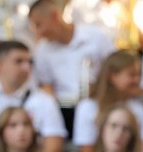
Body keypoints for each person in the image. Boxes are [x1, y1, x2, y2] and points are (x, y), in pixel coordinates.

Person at [29, 0, 115, 135]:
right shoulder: (42, 50)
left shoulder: (96, 36)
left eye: (39, 25)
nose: (39, 32)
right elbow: (46, 87)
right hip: (63, 112)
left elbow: (115, 70)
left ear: (55, 16)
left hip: (100, 105)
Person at [73, 50, 143, 152]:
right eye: (132, 75)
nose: (137, 80)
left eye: (139, 75)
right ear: (112, 76)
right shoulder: (88, 108)